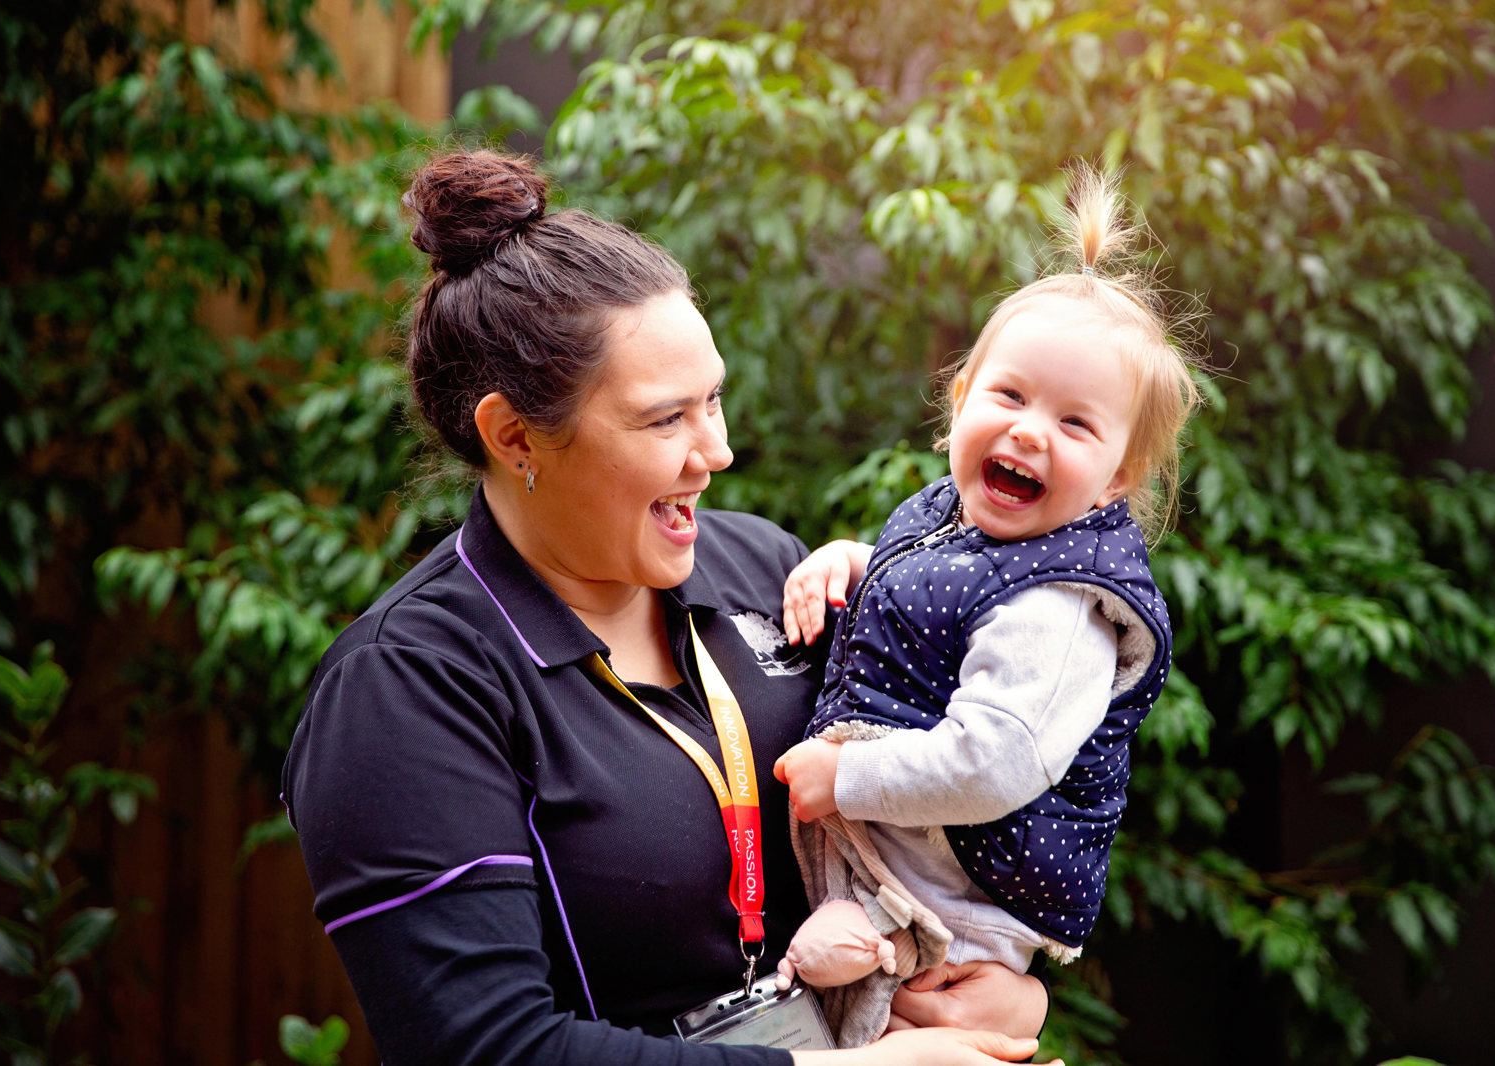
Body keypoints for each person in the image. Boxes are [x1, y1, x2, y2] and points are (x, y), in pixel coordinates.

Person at [280, 148, 1055, 1066]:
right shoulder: (406, 685)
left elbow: (947, 818)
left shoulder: (768, 568)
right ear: (515, 435)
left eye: (714, 400)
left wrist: (999, 980)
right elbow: (488, 1049)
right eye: (664, 420)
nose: (716, 452)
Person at [772, 167, 1199, 1045]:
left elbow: (997, 761)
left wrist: (844, 779)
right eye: (1010, 395)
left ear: (1115, 480)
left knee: (902, 1040)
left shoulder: (1059, 607)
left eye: (1077, 424)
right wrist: (849, 562)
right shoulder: (954, 523)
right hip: (906, 880)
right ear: (961, 397)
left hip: (956, 918)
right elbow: (919, 590)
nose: (1031, 430)